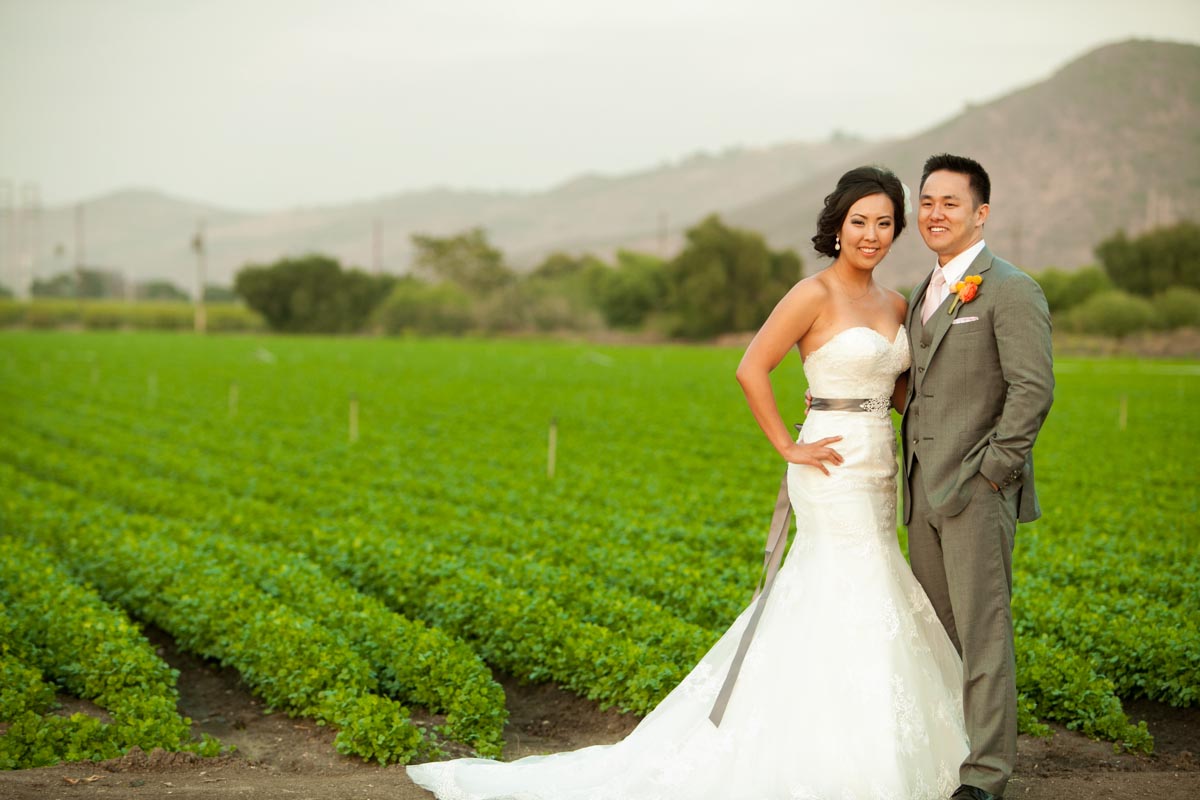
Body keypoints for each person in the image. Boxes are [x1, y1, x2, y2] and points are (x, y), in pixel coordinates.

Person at [408, 166, 970, 799]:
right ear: (837, 228)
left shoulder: (897, 303)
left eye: (884, 223)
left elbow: (902, 392)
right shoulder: (810, 295)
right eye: (859, 222)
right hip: (826, 466)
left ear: (896, 232)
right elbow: (750, 368)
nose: (871, 234)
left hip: (878, 467)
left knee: (879, 580)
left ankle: (881, 745)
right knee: (843, 583)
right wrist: (789, 444)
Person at [902, 154, 1054, 800]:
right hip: (920, 495)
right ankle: (949, 749)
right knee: (938, 631)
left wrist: (994, 471)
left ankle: (986, 776)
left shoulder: (1011, 288)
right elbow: (924, 384)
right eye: (927, 202)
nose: (935, 214)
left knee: (983, 633)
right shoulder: (923, 291)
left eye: (950, 204)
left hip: (975, 491)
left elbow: (1033, 389)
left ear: (980, 213)